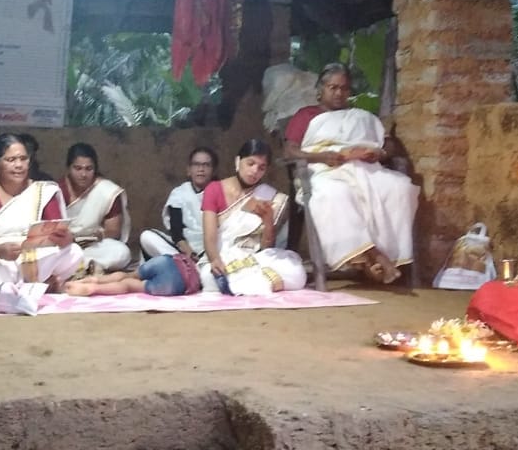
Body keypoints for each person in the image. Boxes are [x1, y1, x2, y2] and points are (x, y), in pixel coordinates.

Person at [283, 63, 418, 284]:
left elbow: (390, 146)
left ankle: (377, 260)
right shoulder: (307, 115)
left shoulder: (360, 117)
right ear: (320, 89)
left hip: (365, 169)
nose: (338, 93)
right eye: (332, 87)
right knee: (334, 194)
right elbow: (290, 150)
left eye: (344, 88)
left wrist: (379, 153)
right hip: (324, 170)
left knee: (400, 188)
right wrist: (323, 157)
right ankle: (377, 258)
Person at [0, 134, 84, 293]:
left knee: (74, 251)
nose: (19, 165)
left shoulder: (43, 190)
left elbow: (58, 230)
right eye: (11, 160)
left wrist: (65, 238)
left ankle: (2, 288)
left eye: (23, 159)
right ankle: (33, 285)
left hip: (34, 259)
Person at [198, 139, 307, 295]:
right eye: (251, 164)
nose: (255, 171)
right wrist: (215, 260)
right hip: (222, 257)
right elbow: (209, 238)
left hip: (254, 259)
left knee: (296, 271)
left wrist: (268, 221)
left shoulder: (269, 197)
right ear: (238, 161)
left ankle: (242, 286)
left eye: (261, 168)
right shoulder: (214, 189)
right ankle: (256, 285)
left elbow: (265, 249)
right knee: (209, 275)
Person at [60, 142, 131, 272]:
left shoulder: (106, 191)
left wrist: (95, 235)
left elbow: (114, 231)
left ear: (95, 169)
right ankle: (83, 266)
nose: (83, 174)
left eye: (89, 169)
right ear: (69, 168)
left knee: (121, 252)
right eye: (78, 168)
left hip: (93, 247)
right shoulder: (57, 190)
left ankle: (84, 265)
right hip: (65, 247)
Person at [139, 147, 217, 261]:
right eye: (196, 164)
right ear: (189, 170)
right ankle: (186, 264)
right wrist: (187, 251)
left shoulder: (221, 191)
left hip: (214, 249)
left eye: (206, 165)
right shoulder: (179, 193)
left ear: (213, 170)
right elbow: (176, 231)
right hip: (184, 250)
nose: (201, 169)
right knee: (147, 236)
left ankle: (184, 266)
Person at [65, 253, 203, 297]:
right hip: (177, 281)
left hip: (167, 261)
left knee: (129, 275)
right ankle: (94, 289)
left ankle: (95, 280)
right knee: (129, 286)